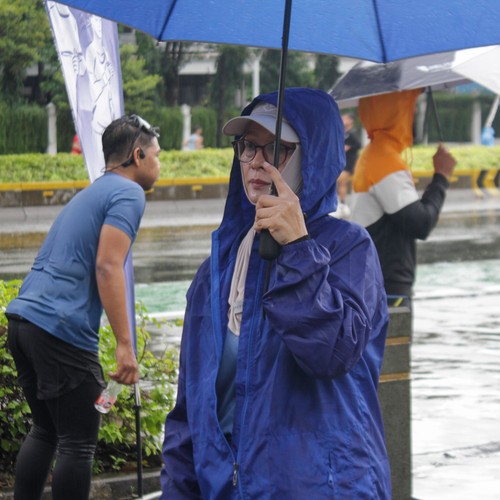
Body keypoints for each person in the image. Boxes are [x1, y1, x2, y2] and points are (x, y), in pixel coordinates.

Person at [161, 88, 391, 498]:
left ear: (314, 157)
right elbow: (189, 411)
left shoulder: (348, 248)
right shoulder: (217, 271)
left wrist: (298, 247)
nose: (257, 161)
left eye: (277, 149)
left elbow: (333, 352)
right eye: (248, 146)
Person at [5, 114, 161, 500]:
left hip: (24, 321)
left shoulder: (92, 193)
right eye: (157, 155)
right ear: (138, 155)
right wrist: (124, 345)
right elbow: (107, 266)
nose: (160, 164)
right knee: (78, 442)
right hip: (59, 327)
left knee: (46, 430)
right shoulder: (129, 193)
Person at [350, 89, 457, 307]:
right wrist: (441, 177)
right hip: (387, 288)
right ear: (394, 112)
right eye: (408, 106)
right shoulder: (383, 160)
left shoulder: (376, 154)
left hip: (377, 284)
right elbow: (421, 223)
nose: (414, 112)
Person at [334, 112, 361, 218]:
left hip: (349, 163)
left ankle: (342, 206)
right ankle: (342, 205)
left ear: (350, 121)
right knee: (341, 183)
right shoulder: (343, 133)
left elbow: (343, 148)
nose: (342, 120)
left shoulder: (351, 135)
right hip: (342, 163)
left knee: (337, 181)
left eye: (345, 118)